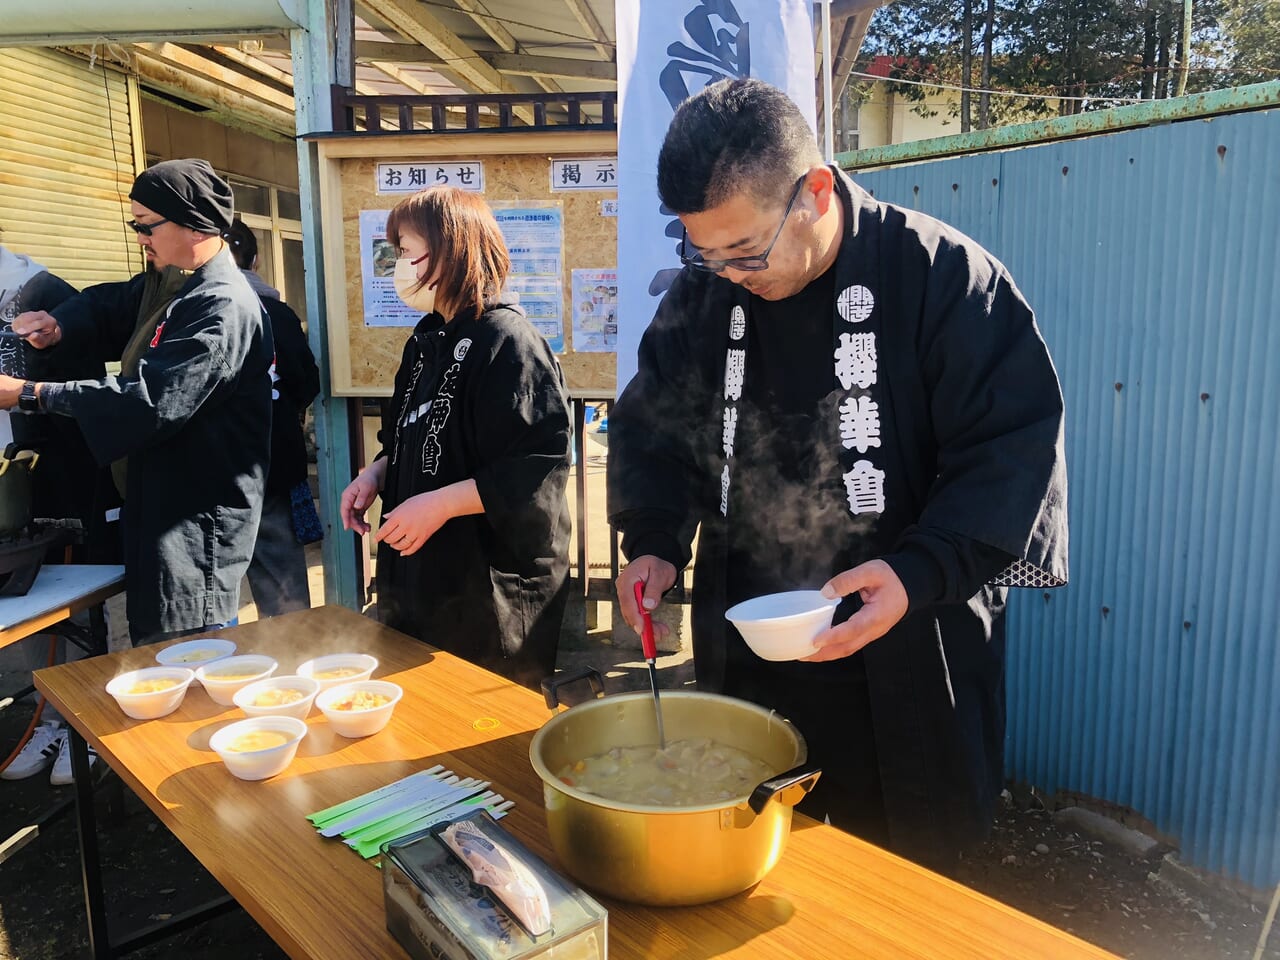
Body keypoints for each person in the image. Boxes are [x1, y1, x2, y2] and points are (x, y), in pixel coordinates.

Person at [608, 78, 1068, 871]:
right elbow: (654, 427)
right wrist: (651, 541)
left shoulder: (944, 277)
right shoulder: (705, 295)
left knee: (905, 885)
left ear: (816, 190)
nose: (727, 274)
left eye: (746, 251)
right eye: (703, 253)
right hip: (749, 637)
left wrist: (920, 570)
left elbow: (1009, 447)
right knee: (750, 852)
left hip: (910, 644)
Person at [0, 159, 274, 648]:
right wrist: (59, 326)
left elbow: (150, 403)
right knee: (166, 645)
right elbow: (107, 305)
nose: (140, 239)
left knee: (187, 652)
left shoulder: (219, 305)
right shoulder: (174, 284)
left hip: (194, 519)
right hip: (162, 502)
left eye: (146, 226)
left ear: (193, 222)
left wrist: (30, 394)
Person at [339, 187, 571, 690]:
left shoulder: (509, 341)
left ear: (451, 250)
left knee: (482, 722)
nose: (397, 264)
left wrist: (441, 504)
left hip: (490, 584)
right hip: (424, 573)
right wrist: (377, 474)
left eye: (405, 250)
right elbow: (404, 431)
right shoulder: (426, 339)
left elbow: (537, 462)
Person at [226, 218, 321, 616]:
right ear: (257, 260)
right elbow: (306, 381)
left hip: (210, 475)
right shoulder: (278, 315)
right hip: (270, 466)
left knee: (214, 596)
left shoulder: (185, 313)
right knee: (284, 592)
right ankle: (295, 665)